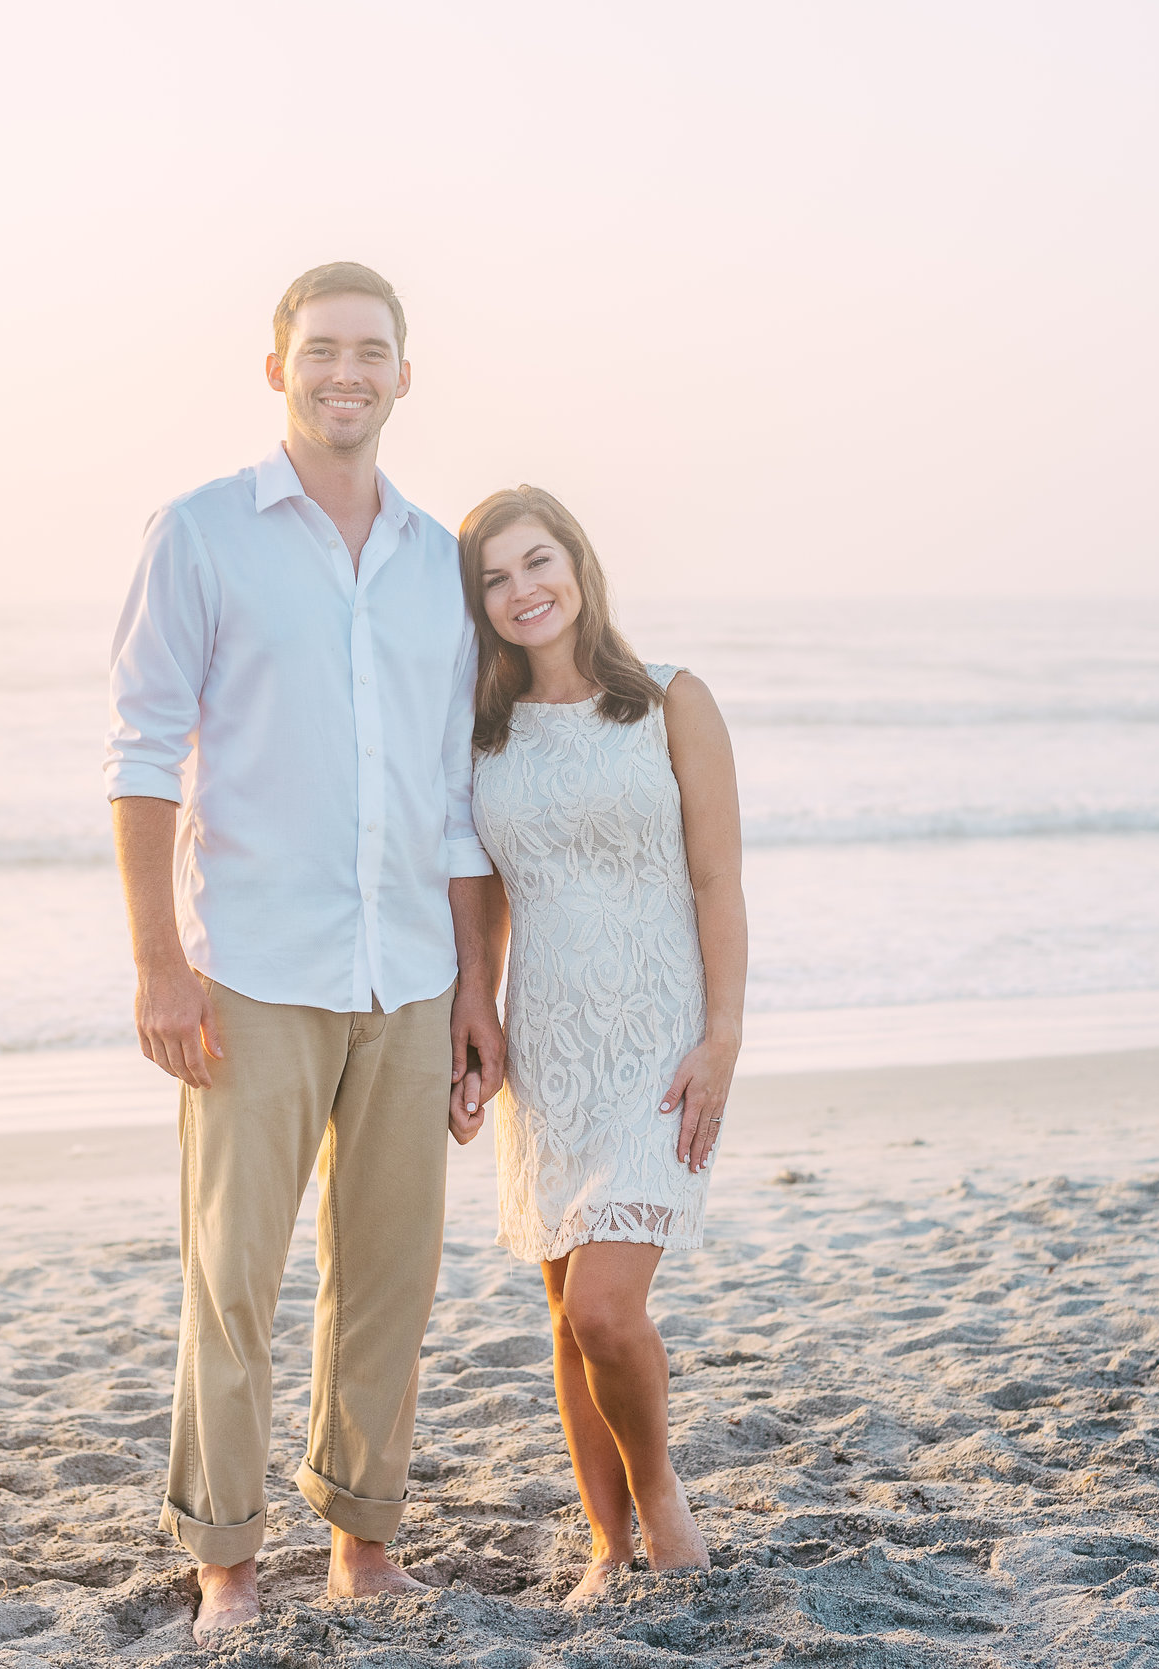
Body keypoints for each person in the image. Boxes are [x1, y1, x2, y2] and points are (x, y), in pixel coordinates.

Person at [103, 262, 508, 1646]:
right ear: (276, 366)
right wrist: (160, 963)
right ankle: (224, 1559)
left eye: (373, 351)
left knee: (390, 1272)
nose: (348, 372)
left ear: (407, 375)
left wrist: (478, 992)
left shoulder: (439, 560)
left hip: (408, 975)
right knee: (233, 1276)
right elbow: (144, 755)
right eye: (323, 348)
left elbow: (459, 796)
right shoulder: (204, 533)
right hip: (251, 976)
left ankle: (364, 1545)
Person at [448, 485, 747, 1601]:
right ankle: (605, 1546)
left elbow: (717, 879)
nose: (522, 590)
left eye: (538, 562)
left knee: (603, 1310)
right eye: (494, 577)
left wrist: (721, 1037)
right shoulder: (481, 729)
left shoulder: (672, 700)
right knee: (565, 1323)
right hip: (548, 1048)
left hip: (659, 1040)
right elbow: (477, 898)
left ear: (578, 564)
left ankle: (663, 1507)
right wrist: (472, 1011)